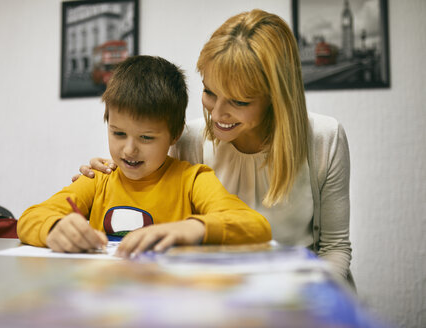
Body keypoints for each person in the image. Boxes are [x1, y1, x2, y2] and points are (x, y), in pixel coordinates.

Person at [76, 10, 353, 286]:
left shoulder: (325, 139)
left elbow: (334, 249)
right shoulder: (189, 140)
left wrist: (316, 300)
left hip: (304, 293)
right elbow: (158, 212)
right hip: (220, 293)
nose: (218, 114)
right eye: (210, 92)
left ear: (275, 97)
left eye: (239, 102)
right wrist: (109, 181)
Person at [18, 55, 272, 258]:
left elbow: (256, 226)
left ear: (175, 135)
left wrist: (193, 228)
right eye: (118, 133)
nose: (129, 150)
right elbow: (30, 219)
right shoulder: (98, 179)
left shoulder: (193, 180)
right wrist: (53, 229)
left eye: (146, 138)